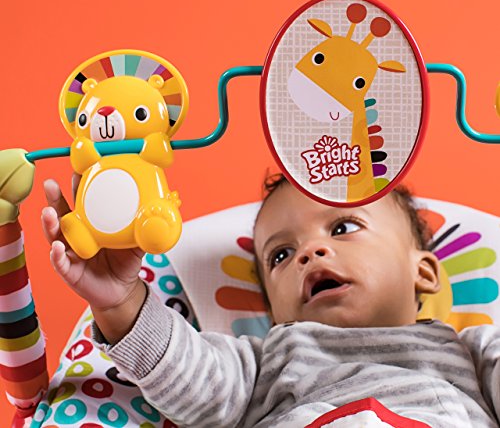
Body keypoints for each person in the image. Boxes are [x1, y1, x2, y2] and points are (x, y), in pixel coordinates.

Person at [41, 175, 500, 427]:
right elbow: (189, 375)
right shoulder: (266, 362)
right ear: (273, 311)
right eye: (281, 255)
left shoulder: (471, 352)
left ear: (424, 272)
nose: (310, 251)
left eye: (343, 228)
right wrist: (121, 300)